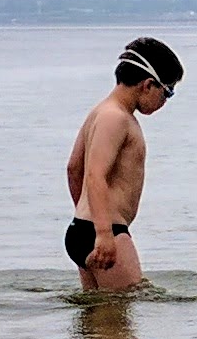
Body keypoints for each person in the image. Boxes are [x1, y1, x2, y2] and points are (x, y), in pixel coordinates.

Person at [64, 38, 183, 291]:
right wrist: (104, 233)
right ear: (148, 84)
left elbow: (73, 169)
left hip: (83, 230)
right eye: (168, 92)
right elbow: (95, 176)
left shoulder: (100, 112)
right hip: (106, 233)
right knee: (120, 322)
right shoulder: (116, 118)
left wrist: (87, 218)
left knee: (96, 321)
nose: (165, 102)